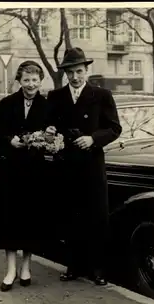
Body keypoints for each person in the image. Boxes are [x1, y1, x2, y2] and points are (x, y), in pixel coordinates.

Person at [45, 47, 122, 286]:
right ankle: (73, 266)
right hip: (66, 166)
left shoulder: (102, 95)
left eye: (79, 71)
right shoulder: (56, 97)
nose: (75, 77)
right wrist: (49, 132)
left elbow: (114, 128)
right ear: (65, 73)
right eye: (70, 72)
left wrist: (93, 139)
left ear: (86, 70)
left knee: (96, 217)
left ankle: (98, 269)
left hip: (92, 166)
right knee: (70, 216)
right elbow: (50, 127)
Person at [0, 60, 50, 292]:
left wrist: (47, 137)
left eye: (34, 80)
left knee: (29, 221)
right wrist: (9, 141)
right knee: (9, 220)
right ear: (19, 81)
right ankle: (10, 270)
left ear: (40, 81)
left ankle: (26, 267)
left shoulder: (47, 105)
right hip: (9, 171)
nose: (31, 84)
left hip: (34, 173)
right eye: (26, 80)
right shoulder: (6, 103)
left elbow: (53, 134)